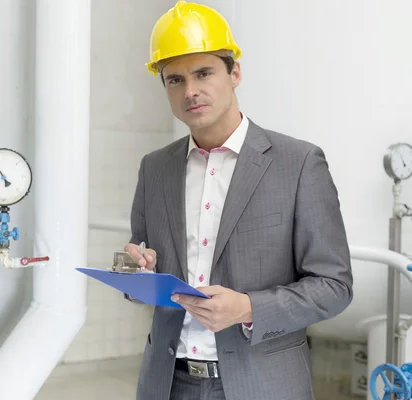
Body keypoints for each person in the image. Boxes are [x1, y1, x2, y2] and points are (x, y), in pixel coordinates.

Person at [122, 1, 354, 399]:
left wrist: (248, 308)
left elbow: (334, 286)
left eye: (204, 73)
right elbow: (143, 270)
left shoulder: (298, 164)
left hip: (261, 384)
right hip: (167, 382)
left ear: (235, 74)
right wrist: (133, 270)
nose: (190, 90)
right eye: (174, 80)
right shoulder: (155, 168)